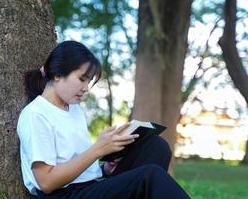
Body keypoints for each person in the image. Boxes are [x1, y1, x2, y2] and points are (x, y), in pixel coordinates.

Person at [17, 40, 190, 199]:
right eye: (82, 79)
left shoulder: (74, 110)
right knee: (150, 177)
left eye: (89, 81)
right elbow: (46, 183)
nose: (85, 89)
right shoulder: (36, 114)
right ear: (57, 75)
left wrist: (104, 169)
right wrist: (98, 149)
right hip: (62, 196)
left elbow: (76, 163)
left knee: (155, 145)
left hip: (88, 188)